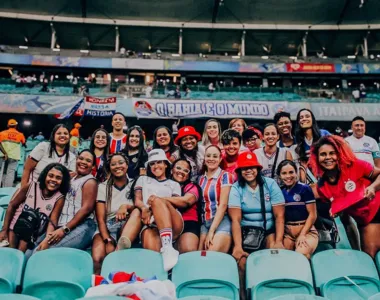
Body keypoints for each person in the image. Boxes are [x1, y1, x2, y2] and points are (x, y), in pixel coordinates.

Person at [309, 135, 380, 258]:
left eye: (332, 153)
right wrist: (356, 251)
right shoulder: (322, 187)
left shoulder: (355, 165)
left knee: (371, 254)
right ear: (317, 158)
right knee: (366, 257)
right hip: (362, 219)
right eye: (323, 154)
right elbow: (346, 221)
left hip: (377, 208)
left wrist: (373, 187)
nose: (328, 158)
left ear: (339, 154)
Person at [228, 152, 285, 300]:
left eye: (252, 167)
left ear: (258, 169)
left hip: (268, 230)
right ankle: (243, 296)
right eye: (244, 168)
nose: (248, 171)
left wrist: (279, 241)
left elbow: (279, 215)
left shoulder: (270, 184)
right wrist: (238, 246)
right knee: (241, 261)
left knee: (274, 252)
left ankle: (269, 294)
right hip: (247, 232)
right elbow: (235, 220)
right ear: (240, 171)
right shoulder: (236, 188)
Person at [33, 150, 98, 252]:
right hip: (62, 224)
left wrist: (65, 229)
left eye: (88, 161)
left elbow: (87, 209)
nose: (83, 162)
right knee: (30, 251)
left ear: (93, 166)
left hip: (82, 226)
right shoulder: (71, 178)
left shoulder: (90, 181)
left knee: (45, 251)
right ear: (76, 160)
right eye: (81, 158)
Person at [0, 163, 70, 252]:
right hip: (15, 226)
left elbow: (52, 222)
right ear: (45, 176)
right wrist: (4, 230)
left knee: (21, 257)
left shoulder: (59, 198)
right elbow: (12, 205)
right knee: (10, 253)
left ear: (63, 181)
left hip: (32, 233)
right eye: (50, 176)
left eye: (58, 178)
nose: (53, 180)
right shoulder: (31, 186)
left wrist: (47, 240)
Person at [133, 149, 184, 271]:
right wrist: (144, 208)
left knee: (156, 200)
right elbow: (137, 200)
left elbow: (175, 204)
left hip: (171, 221)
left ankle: (168, 247)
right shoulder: (143, 180)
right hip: (150, 223)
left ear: (166, 164)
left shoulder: (174, 184)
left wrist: (156, 202)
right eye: (152, 163)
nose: (156, 166)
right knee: (154, 261)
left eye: (159, 162)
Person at [92, 153, 140, 274]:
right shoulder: (103, 187)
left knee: (117, 257)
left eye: (121, 163)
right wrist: (107, 239)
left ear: (127, 164)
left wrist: (126, 206)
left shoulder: (135, 184)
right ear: (109, 168)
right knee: (98, 258)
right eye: (113, 164)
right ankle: (99, 288)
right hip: (107, 226)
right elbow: (101, 219)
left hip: (128, 225)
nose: (117, 166)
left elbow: (139, 207)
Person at [277, 160, 318, 259]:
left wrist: (303, 234)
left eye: (291, 172)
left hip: (306, 231)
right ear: (279, 176)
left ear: (296, 173)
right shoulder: (279, 191)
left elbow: (313, 215)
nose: (288, 176)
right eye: (284, 173)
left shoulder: (305, 189)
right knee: (283, 257)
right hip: (288, 233)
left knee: (301, 254)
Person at [160, 159, 201, 253]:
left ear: (189, 175)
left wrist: (159, 199)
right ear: (171, 170)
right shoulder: (162, 184)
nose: (181, 172)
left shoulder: (192, 186)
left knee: (188, 249)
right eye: (178, 168)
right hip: (165, 225)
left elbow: (185, 201)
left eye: (185, 171)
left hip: (188, 223)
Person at [198, 145, 233, 253]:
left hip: (221, 221)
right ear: (204, 159)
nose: (211, 159)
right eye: (208, 156)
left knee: (211, 256)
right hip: (205, 223)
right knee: (198, 257)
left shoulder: (225, 176)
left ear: (220, 159)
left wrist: (211, 231)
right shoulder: (200, 178)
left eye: (215, 156)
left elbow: (223, 206)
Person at [295, 109, 330, 183]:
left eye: (307, 116)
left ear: (312, 119)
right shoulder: (298, 140)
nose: (304, 119)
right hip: (310, 180)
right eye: (301, 117)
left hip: (327, 176)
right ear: (298, 122)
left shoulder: (324, 134)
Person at [0, 119, 26, 187]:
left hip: (2, 156)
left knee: (1, 172)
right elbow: (24, 143)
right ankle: (6, 190)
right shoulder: (20, 134)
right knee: (10, 173)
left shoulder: (2, 133)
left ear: (8, 125)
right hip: (14, 156)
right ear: (16, 126)